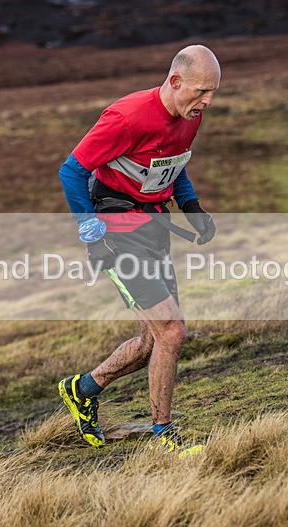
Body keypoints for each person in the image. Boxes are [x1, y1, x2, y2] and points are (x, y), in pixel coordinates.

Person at [56, 44, 220, 457]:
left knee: (153, 338)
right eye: (201, 91)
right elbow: (71, 171)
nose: (208, 101)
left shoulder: (188, 116)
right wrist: (92, 237)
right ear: (175, 81)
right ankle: (163, 435)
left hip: (153, 225)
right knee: (172, 330)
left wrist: (191, 206)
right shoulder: (127, 117)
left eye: (213, 91)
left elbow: (174, 164)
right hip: (116, 229)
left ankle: (83, 388)